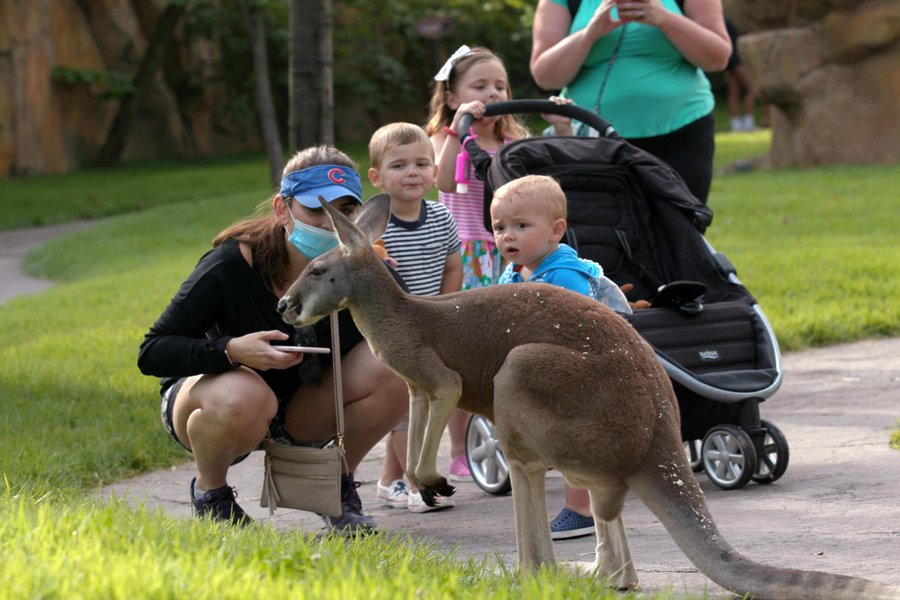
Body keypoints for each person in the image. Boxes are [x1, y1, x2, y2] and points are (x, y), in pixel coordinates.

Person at [137, 145, 409, 535]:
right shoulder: (232, 264)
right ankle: (211, 494)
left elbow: (413, 336)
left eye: (346, 212)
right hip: (223, 400)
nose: (332, 225)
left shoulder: (361, 267)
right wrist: (231, 350)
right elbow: (153, 352)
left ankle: (335, 486)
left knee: (394, 365)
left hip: (307, 406)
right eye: (317, 210)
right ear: (283, 210)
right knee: (245, 395)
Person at [426, 45, 573, 481]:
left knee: (516, 346)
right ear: (452, 96)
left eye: (500, 85)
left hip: (517, 251)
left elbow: (546, 184)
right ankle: (460, 448)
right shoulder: (444, 137)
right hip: (468, 254)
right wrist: (458, 130)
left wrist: (561, 127)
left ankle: (527, 434)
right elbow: (444, 177)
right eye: (480, 86)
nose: (493, 93)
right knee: (467, 355)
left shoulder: (513, 141)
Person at [489, 174, 631, 540]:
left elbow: (575, 323)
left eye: (521, 226)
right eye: (500, 227)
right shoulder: (515, 271)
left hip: (582, 367)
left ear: (556, 231)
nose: (508, 236)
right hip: (547, 366)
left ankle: (581, 510)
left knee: (573, 439)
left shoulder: (565, 275)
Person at [530, 0, 732, 204]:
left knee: (680, 229)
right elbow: (546, 77)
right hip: (592, 140)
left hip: (681, 131)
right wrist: (590, 33)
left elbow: (717, 58)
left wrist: (665, 19)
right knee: (596, 227)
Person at [366, 122, 463, 512]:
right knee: (409, 405)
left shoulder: (441, 218)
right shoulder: (375, 227)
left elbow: (453, 267)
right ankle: (417, 482)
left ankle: (391, 481)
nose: (412, 172)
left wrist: (445, 307)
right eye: (399, 165)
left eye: (422, 164)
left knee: (423, 399)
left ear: (435, 172)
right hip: (392, 330)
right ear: (376, 177)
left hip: (431, 322)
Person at [723, 17, 757, 132]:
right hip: (735, 60)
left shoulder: (721, 20)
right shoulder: (724, 21)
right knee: (752, 88)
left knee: (734, 92)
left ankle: (735, 124)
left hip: (727, 60)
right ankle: (748, 121)